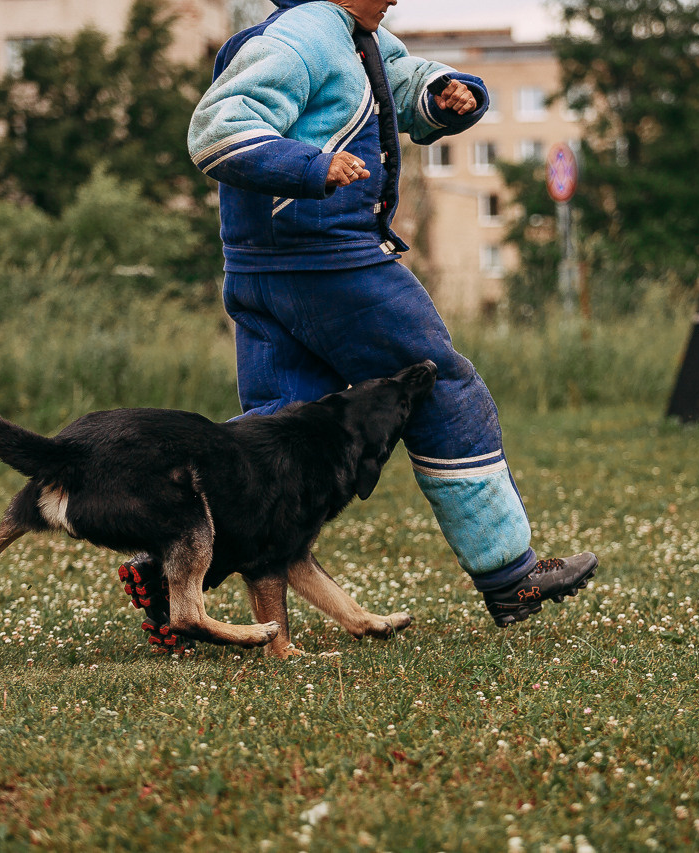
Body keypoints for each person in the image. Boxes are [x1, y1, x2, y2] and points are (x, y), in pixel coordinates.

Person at [186, 0, 597, 628]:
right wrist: (313, 167)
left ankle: (170, 568)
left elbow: (393, 81)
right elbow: (218, 129)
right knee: (438, 385)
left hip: (257, 272)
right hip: (331, 266)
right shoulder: (306, 36)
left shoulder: (344, 35)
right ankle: (510, 575)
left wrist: (444, 94)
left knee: (273, 438)